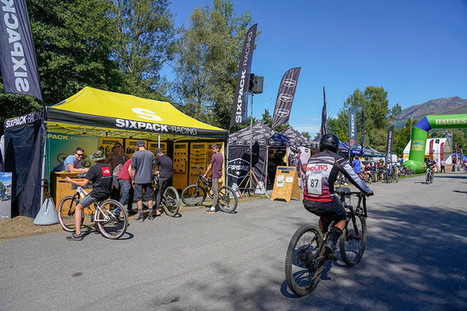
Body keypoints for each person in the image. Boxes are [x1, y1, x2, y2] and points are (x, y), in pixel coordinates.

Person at [303, 134, 373, 261]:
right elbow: (354, 178)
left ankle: (321, 240)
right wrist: (367, 190)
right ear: (336, 147)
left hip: (307, 200)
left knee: (325, 215)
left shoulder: (312, 158)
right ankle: (330, 244)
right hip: (326, 200)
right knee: (341, 217)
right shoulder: (338, 159)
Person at [63, 150, 112, 241]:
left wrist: (70, 181)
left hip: (97, 193)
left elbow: (83, 184)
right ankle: (100, 226)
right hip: (107, 192)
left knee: (78, 207)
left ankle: (77, 234)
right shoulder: (109, 167)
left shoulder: (93, 168)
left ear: (95, 159)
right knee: (99, 206)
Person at [130, 140, 155, 221]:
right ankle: (150, 215)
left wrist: (133, 179)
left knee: (139, 198)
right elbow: (153, 168)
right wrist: (150, 176)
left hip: (138, 180)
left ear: (137, 146)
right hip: (148, 179)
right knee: (149, 197)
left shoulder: (135, 155)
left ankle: (141, 216)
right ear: (144, 145)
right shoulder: (150, 154)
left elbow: (133, 168)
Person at [203, 144, 223, 214]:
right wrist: (210, 175)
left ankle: (213, 208)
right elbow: (216, 166)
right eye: (212, 149)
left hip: (215, 175)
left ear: (217, 149)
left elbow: (210, 166)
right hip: (218, 173)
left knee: (215, 192)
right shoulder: (221, 156)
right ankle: (216, 202)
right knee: (213, 187)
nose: (212, 150)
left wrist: (205, 174)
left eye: (214, 149)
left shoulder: (214, 156)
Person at [153, 148, 173, 217]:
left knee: (158, 191)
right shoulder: (168, 158)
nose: (156, 156)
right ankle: (168, 195)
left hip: (163, 176)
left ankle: (157, 209)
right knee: (164, 187)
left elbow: (153, 166)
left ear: (158, 154)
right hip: (170, 176)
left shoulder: (159, 158)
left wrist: (153, 172)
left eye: (156, 155)